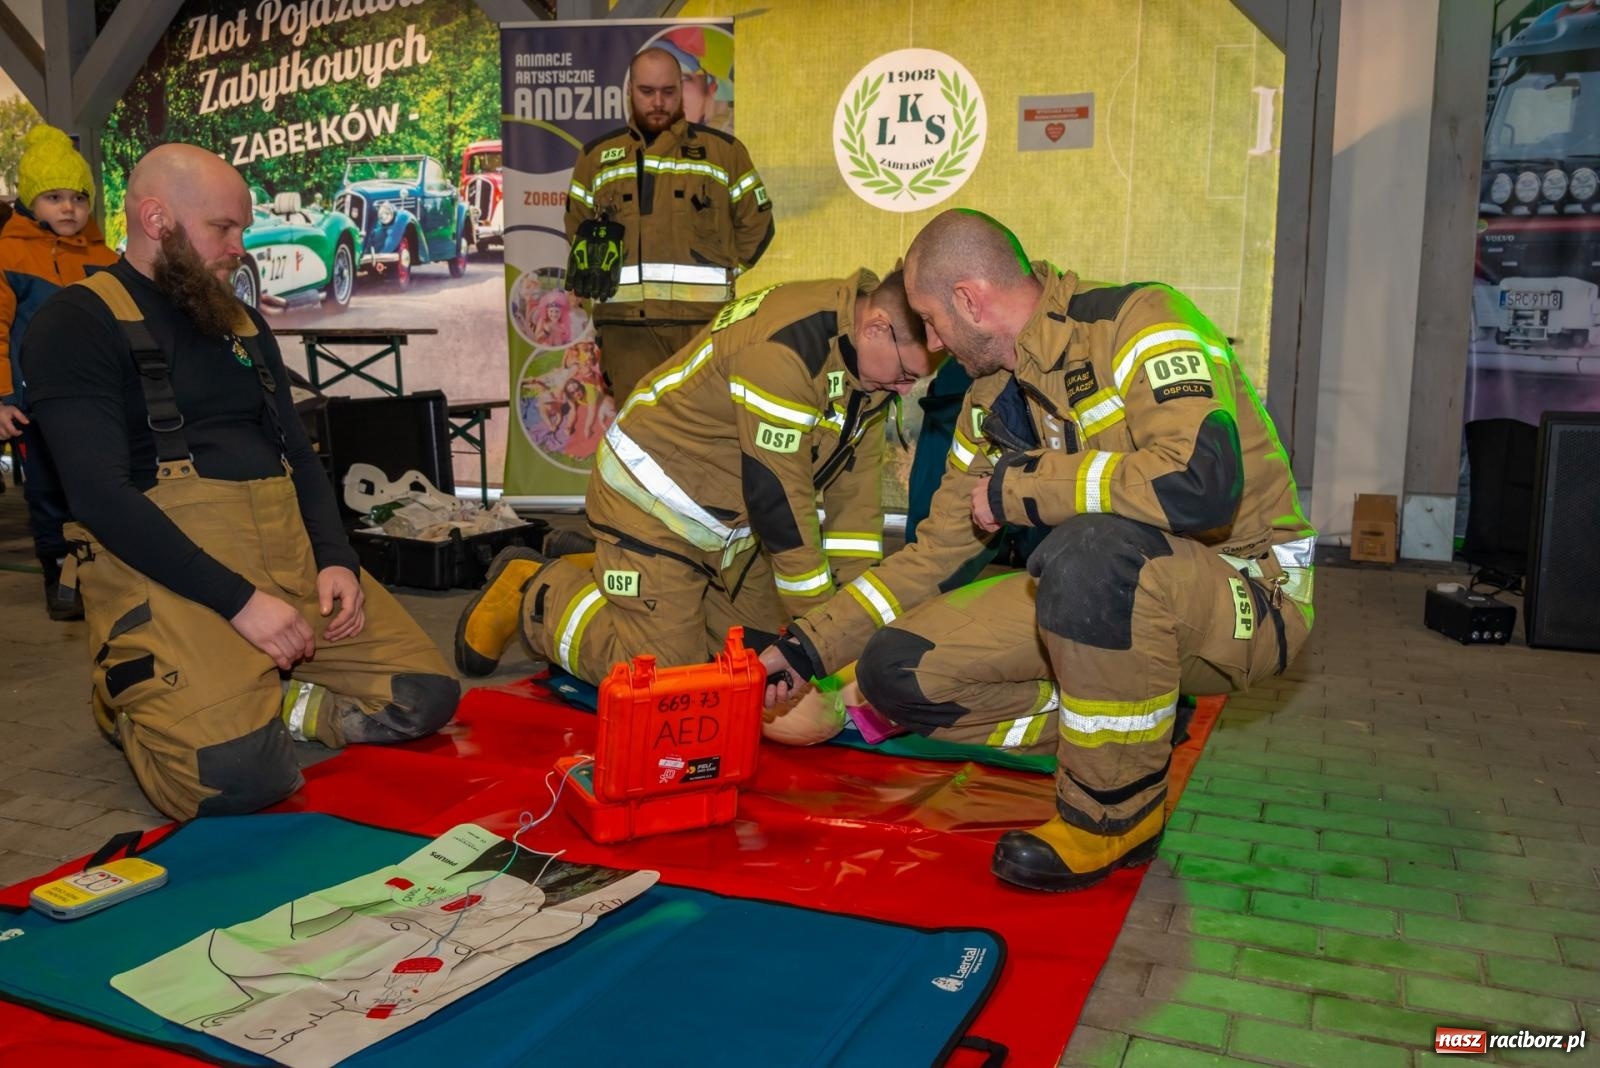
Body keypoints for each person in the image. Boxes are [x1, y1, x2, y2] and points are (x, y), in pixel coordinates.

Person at [759, 210, 1316, 893]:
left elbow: (1199, 485)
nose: (931, 344)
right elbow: (932, 553)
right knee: (894, 672)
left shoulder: (1142, 320)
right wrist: (806, 649)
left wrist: (1025, 485)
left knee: (1090, 551)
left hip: (1248, 593)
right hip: (1117, 594)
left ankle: (1111, 814)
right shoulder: (990, 397)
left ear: (970, 299)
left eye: (931, 321)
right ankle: (1136, 723)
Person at [20, 143, 458, 821]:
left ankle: (280, 699)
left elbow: (299, 454)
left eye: (243, 229)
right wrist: (240, 603)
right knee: (239, 778)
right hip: (171, 577)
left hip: (285, 555)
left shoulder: (239, 320)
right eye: (223, 228)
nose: (240, 247)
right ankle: (128, 703)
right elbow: (99, 499)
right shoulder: (75, 322)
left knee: (423, 696)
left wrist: (336, 558)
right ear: (157, 219)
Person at [454, 268, 936, 687]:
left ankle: (616, 575)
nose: (905, 390)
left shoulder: (868, 375)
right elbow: (779, 501)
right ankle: (538, 594)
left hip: (728, 527)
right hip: (650, 506)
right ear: (876, 326)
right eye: (905, 374)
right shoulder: (789, 350)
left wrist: (850, 623)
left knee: (755, 662)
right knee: (669, 682)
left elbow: (856, 505)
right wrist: (820, 628)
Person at [564, 46, 774, 402]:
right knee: (636, 430)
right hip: (626, 333)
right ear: (630, 91)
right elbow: (577, 227)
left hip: (701, 328)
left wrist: (721, 268)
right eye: (647, 91)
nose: (658, 102)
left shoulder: (724, 153)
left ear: (681, 89)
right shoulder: (595, 159)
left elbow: (758, 224)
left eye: (668, 91)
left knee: (703, 430)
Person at [0, 124, 119, 621]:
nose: (68, 208)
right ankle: (60, 577)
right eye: (54, 197)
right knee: (48, 493)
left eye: (79, 198)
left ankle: (108, 572)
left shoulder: (106, 259)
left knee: (105, 486)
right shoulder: (9, 255)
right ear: (31, 202)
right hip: (37, 407)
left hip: (100, 401)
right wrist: (3, 399)